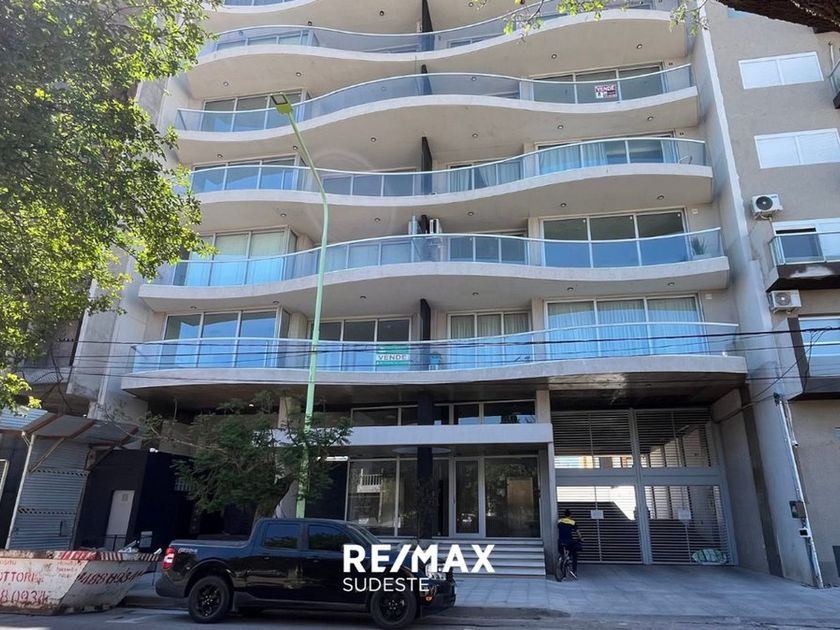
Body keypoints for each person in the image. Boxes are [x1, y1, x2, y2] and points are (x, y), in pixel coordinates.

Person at [557, 509, 582, 576]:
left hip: (560, 541)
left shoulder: (559, 521)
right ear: (570, 515)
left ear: (564, 515)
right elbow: (578, 532)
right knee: (574, 555)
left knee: (562, 554)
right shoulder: (573, 522)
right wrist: (580, 538)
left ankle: (562, 569)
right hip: (569, 541)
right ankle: (574, 571)